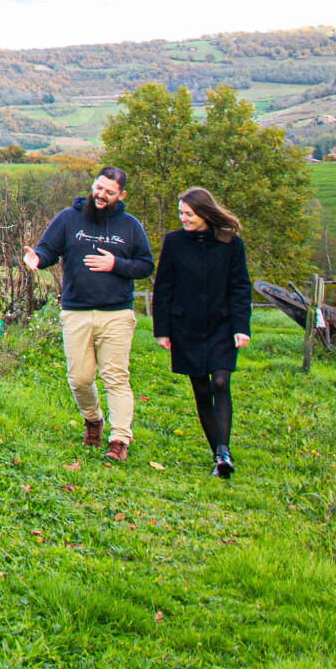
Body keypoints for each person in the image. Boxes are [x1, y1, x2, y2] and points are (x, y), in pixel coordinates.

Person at [22, 165, 154, 462]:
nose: (101, 195)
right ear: (93, 186)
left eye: (109, 192)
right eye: (98, 188)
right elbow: (47, 250)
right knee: (79, 379)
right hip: (77, 312)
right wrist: (36, 259)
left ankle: (120, 439)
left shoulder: (130, 226)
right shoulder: (69, 218)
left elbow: (146, 265)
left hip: (117, 313)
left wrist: (116, 265)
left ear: (121, 195)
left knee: (116, 378)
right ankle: (93, 420)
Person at [152, 186, 252, 477]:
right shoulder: (174, 242)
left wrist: (241, 326)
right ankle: (217, 453)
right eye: (181, 213)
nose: (184, 218)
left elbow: (240, 287)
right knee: (202, 389)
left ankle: (224, 451)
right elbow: (163, 288)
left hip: (221, 325)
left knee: (221, 382)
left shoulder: (231, 243)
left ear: (205, 213)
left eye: (189, 214)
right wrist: (163, 330)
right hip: (186, 327)